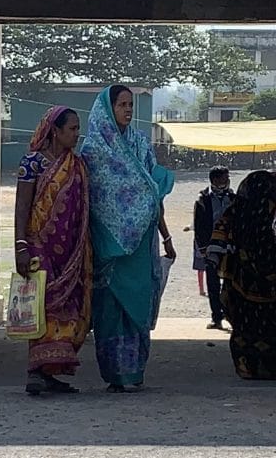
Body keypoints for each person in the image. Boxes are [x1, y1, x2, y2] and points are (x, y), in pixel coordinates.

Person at [77, 85, 175, 392]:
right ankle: (114, 374)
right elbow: (91, 199)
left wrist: (166, 234)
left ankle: (136, 370)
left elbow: (151, 193)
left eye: (131, 104)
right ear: (108, 109)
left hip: (142, 245)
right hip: (108, 245)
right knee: (110, 309)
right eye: (122, 104)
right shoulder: (92, 151)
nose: (128, 110)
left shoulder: (141, 144)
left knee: (138, 308)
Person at [13, 106, 90, 396]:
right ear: (54, 131)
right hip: (38, 246)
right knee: (42, 307)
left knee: (68, 309)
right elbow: (22, 207)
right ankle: (35, 370)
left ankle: (52, 372)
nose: (76, 133)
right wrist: (20, 245)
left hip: (70, 253)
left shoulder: (77, 166)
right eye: (71, 128)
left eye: (77, 128)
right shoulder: (32, 163)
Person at [215, 168, 276, 381]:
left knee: (246, 327)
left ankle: (247, 367)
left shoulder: (237, 210)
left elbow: (217, 240)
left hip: (243, 284)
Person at [190, 167, 233, 329]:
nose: (227, 180)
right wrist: (202, 247)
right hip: (211, 248)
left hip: (230, 247)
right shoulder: (203, 200)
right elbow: (199, 225)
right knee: (213, 284)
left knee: (230, 283)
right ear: (214, 180)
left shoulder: (233, 198)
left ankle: (231, 315)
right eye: (224, 177)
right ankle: (217, 317)